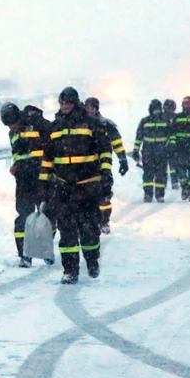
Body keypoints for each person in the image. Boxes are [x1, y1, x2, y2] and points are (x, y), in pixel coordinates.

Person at [48, 87, 112, 284]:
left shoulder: (92, 124)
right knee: (66, 231)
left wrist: (105, 175)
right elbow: (48, 158)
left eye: (67, 102)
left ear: (75, 103)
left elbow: (105, 151)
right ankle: (70, 270)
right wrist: (45, 182)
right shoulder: (55, 127)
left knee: (89, 230)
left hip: (87, 187)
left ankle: (92, 261)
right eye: (62, 103)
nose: (64, 106)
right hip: (63, 188)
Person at [1, 102, 51, 267]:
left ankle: (45, 250)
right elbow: (17, 153)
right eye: (7, 126)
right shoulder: (12, 133)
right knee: (23, 216)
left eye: (12, 124)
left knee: (46, 214)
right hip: (23, 180)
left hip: (42, 177)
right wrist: (16, 167)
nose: (10, 128)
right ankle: (25, 255)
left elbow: (50, 146)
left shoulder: (35, 124)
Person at [84, 96, 129, 232]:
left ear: (97, 109)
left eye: (92, 107)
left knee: (104, 195)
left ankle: (104, 221)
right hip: (85, 167)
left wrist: (122, 160)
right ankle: (89, 220)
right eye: (87, 107)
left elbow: (117, 144)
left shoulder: (106, 125)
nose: (89, 110)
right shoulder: (80, 124)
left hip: (103, 166)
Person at [132, 99, 170, 203]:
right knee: (148, 174)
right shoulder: (144, 121)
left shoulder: (165, 121)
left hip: (162, 153)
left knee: (161, 174)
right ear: (150, 109)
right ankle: (148, 194)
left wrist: (170, 147)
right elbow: (139, 137)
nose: (156, 111)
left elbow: (171, 136)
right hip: (148, 153)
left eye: (158, 109)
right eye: (154, 109)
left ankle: (159, 195)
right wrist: (135, 151)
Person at [170, 96, 190, 201]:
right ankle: (184, 187)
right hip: (179, 149)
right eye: (184, 104)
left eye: (188, 103)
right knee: (180, 171)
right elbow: (172, 132)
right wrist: (172, 144)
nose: (186, 105)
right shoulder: (177, 117)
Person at [162, 99, 178, 194]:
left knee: (173, 165)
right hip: (163, 144)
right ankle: (163, 182)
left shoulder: (177, 117)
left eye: (171, 108)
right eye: (168, 108)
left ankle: (174, 181)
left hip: (174, 144)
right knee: (163, 165)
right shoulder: (161, 117)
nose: (169, 110)